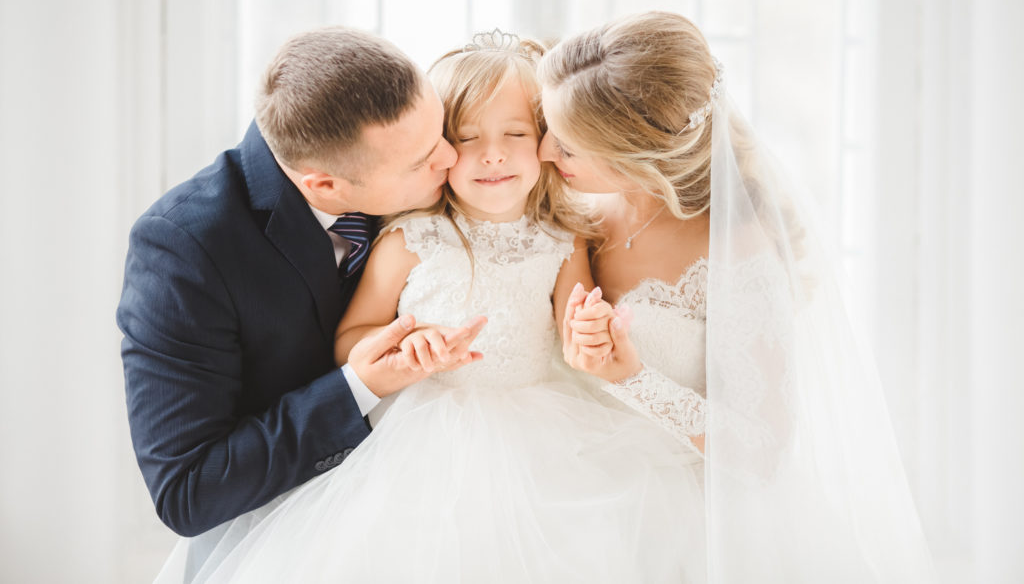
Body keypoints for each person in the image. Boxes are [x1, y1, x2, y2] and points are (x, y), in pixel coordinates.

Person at [160, 31, 707, 583]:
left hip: (542, 429)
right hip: (423, 436)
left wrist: (590, 331)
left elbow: (575, 323)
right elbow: (354, 337)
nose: (488, 154)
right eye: (462, 139)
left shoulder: (563, 237)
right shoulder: (411, 237)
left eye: (516, 134)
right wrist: (402, 348)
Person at [539, 11, 936, 582]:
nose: (547, 152)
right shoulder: (575, 207)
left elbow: (763, 448)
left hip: (689, 524)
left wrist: (630, 377)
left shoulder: (738, 254)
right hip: (569, 493)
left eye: (570, 147)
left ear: (639, 160)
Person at [116, 26, 487, 551]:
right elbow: (188, 490)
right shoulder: (185, 250)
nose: (452, 158)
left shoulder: (418, 161)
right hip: (295, 536)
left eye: (442, 131)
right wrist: (358, 385)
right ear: (325, 185)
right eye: (422, 159)